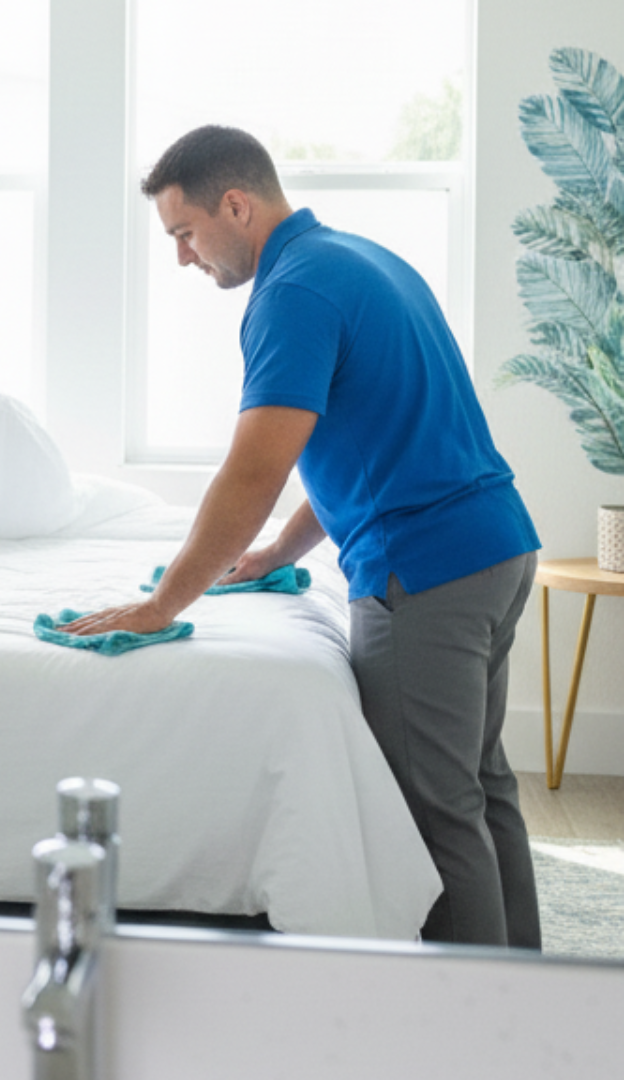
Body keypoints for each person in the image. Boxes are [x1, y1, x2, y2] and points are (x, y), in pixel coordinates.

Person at [59, 125, 542, 948]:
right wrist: (281, 554)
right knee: (481, 787)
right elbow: (366, 436)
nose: (181, 257)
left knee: (432, 810)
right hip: (496, 547)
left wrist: (163, 603)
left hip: (425, 571)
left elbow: (255, 470)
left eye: (185, 233)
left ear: (236, 206)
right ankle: (526, 985)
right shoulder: (362, 260)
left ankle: (472, 1011)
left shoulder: (293, 294)